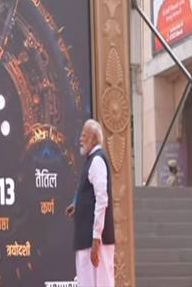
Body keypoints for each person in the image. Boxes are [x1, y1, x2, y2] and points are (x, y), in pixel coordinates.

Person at [65, 119, 115, 287]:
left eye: (84, 135)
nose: (80, 138)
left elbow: (102, 200)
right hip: (87, 241)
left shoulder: (97, 160)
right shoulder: (91, 160)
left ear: (93, 138)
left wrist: (96, 239)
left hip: (94, 243)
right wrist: (77, 204)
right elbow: (88, 191)